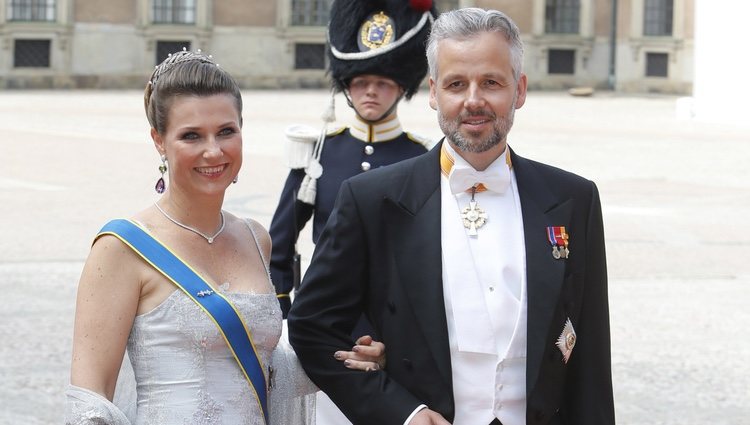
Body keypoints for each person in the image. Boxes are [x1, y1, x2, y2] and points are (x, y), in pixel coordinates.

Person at [288, 7, 615, 425]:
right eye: (456, 84)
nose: (473, 100)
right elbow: (311, 328)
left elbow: (590, 359)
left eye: (492, 83)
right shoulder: (372, 199)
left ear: (520, 90)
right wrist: (401, 412)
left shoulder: (574, 199)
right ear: (433, 92)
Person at [65, 49, 385, 425]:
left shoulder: (254, 238)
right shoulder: (121, 248)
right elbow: (90, 404)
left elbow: (261, 372)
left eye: (226, 131)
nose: (213, 151)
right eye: (191, 136)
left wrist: (348, 356)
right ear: (158, 140)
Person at [269, 0, 437, 318]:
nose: (370, 92)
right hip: (321, 312)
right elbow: (281, 240)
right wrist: (282, 303)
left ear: (401, 88)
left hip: (396, 318)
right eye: (360, 83)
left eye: (382, 83)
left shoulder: (422, 157)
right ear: (347, 88)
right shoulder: (319, 152)